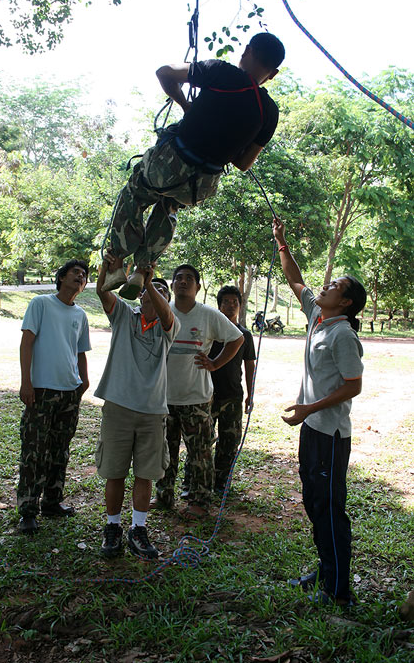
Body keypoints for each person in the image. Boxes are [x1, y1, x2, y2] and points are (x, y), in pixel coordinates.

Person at [101, 32, 285, 300]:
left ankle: (117, 261)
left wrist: (187, 106)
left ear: (247, 51)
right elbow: (244, 163)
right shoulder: (269, 111)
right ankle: (142, 269)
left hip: (169, 165)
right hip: (201, 185)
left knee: (136, 190)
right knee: (169, 205)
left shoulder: (222, 72)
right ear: (274, 73)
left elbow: (164, 73)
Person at [272, 216, 366, 606]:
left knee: (329, 509)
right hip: (311, 428)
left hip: (331, 435)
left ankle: (338, 589)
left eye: (336, 287)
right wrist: (282, 241)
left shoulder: (344, 334)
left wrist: (311, 405)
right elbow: (295, 280)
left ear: (345, 302)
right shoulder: (318, 317)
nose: (327, 286)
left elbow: (353, 385)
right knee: (314, 501)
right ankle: (327, 570)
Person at [94, 258, 180, 559]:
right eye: (148, 290)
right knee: (114, 472)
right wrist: (110, 268)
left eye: (161, 292)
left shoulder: (170, 326)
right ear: (139, 294)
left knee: (145, 474)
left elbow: (166, 312)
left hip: (152, 412)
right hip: (118, 407)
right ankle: (113, 528)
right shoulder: (124, 316)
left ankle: (139, 529)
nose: (154, 293)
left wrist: (149, 281)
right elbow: (101, 291)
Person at [152, 265, 244, 519]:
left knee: (200, 453)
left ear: (198, 287)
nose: (183, 282)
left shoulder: (208, 314)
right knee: (165, 451)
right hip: (164, 398)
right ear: (172, 286)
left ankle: (200, 501)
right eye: (178, 278)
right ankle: (164, 495)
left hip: (197, 399)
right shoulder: (163, 312)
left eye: (189, 279)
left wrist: (215, 363)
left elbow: (237, 339)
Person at [17, 260, 91, 534]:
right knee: (34, 451)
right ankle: (27, 510)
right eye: (75, 273)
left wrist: (84, 380)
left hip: (70, 392)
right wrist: (27, 382)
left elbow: (81, 350)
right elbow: (27, 342)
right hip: (41, 391)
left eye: (83, 276)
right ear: (60, 278)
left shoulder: (80, 315)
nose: (80, 277)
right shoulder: (41, 304)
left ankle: (52, 501)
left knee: (60, 449)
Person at [209, 285, 256, 495]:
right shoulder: (209, 333)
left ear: (240, 305)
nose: (230, 306)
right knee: (202, 442)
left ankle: (221, 482)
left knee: (229, 442)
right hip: (206, 395)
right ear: (219, 306)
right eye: (226, 302)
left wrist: (250, 394)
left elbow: (249, 366)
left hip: (233, 396)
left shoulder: (244, 335)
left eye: (234, 302)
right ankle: (195, 482)